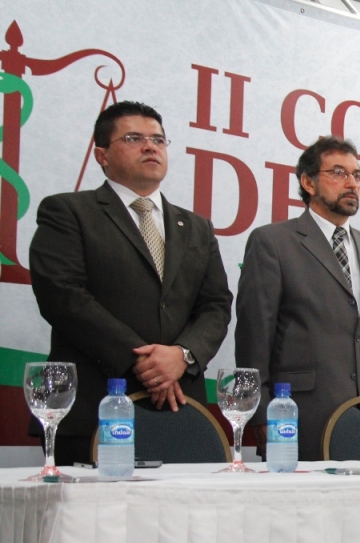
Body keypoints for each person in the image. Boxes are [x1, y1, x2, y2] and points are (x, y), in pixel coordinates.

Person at [28, 101, 231, 464]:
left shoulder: (196, 227)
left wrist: (181, 355)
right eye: (134, 138)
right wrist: (142, 360)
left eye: (159, 140)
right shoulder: (68, 212)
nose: (151, 147)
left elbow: (216, 305)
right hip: (94, 405)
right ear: (101, 155)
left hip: (181, 409)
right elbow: (63, 297)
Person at [235, 136, 360, 460]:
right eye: (338, 173)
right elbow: (254, 336)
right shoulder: (273, 242)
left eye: (357, 175)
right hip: (299, 415)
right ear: (308, 182)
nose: (351, 183)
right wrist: (260, 411)